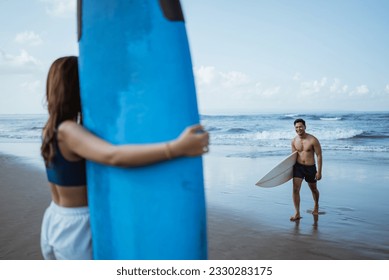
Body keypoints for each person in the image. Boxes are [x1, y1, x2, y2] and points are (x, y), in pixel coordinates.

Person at [40, 56, 209, 260]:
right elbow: (113, 156)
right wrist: (176, 148)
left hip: (54, 217)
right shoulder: (69, 131)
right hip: (76, 227)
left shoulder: (50, 129)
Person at [290, 118, 322, 221]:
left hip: (310, 168)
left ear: (305, 127)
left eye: (300, 126)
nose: (298, 129)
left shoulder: (312, 140)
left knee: (313, 189)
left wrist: (319, 171)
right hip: (298, 167)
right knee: (295, 189)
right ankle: (297, 213)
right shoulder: (294, 141)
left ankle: (316, 205)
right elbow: (292, 157)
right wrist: (289, 171)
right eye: (296, 127)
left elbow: (319, 155)